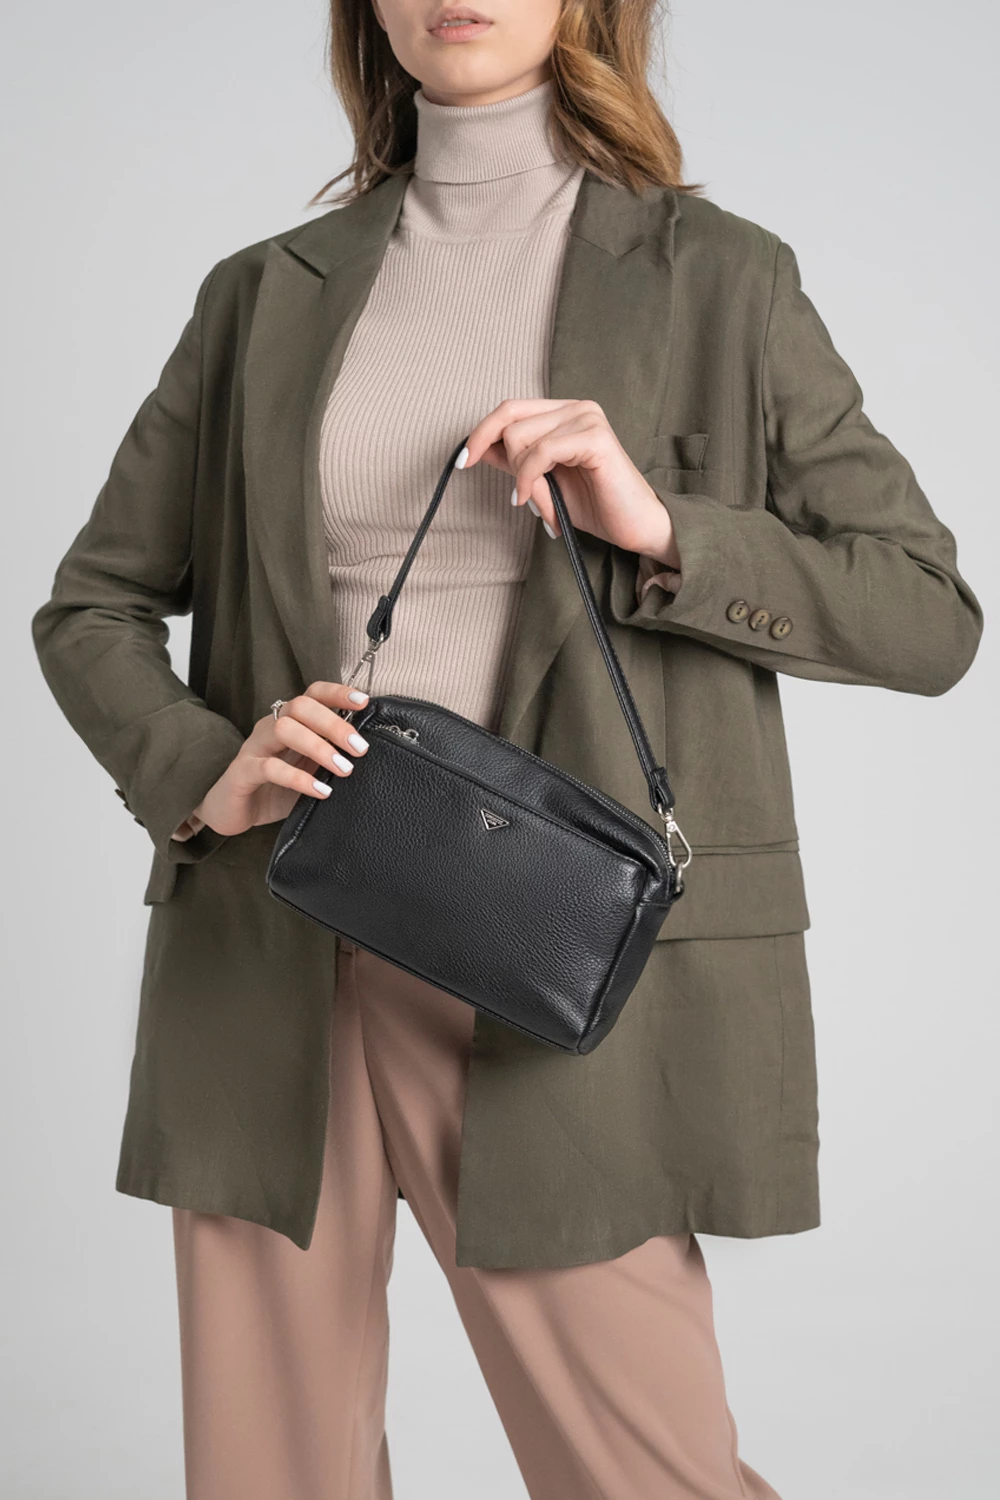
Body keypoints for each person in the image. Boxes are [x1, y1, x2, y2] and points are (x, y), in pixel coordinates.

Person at [31, 2, 983, 1497]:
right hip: (278, 938)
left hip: (551, 954)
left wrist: (661, 525)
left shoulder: (718, 276)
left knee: (644, 1473)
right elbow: (94, 604)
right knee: (269, 1477)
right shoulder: (261, 294)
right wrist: (204, 767)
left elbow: (928, 613)